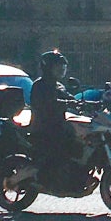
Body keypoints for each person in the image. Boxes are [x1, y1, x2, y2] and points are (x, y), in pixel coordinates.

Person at [29, 49, 80, 188]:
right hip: (43, 128)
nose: (61, 70)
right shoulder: (39, 85)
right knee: (60, 146)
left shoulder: (59, 86)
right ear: (47, 68)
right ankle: (50, 177)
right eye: (57, 67)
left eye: (62, 68)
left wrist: (84, 103)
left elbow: (69, 97)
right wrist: (60, 103)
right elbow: (43, 103)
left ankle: (74, 174)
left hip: (59, 125)